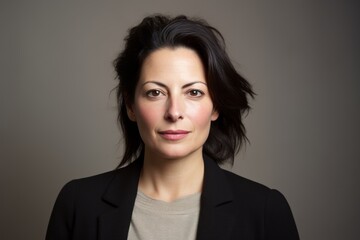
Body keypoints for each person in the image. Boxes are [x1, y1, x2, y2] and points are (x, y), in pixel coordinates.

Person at [46, 15, 299, 240]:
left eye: (194, 92)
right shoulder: (78, 204)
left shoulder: (265, 211)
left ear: (215, 106)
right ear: (131, 106)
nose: (174, 112)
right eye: (155, 92)